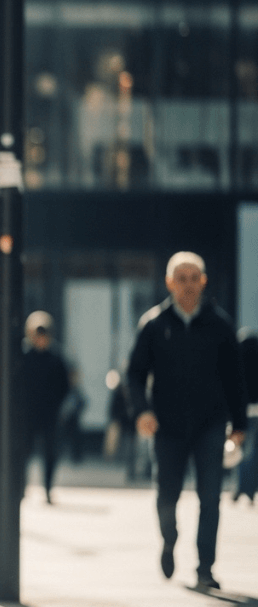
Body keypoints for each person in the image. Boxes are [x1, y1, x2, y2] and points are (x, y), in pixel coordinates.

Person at [126, 251, 247, 590]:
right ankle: (169, 539)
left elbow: (235, 380)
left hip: (210, 425)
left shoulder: (221, 325)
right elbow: (134, 375)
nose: (189, 285)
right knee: (167, 496)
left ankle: (204, 568)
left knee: (211, 498)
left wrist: (238, 427)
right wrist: (142, 411)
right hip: (167, 427)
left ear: (203, 281)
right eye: (182, 279)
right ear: (169, 283)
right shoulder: (154, 324)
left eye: (195, 278)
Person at [17, 311, 70, 505]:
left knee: (50, 453)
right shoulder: (23, 355)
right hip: (27, 413)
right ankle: (21, 487)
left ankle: (47, 488)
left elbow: (65, 385)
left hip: (50, 413)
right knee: (24, 452)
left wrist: (58, 405)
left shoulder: (56, 357)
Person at [232, 329, 258, 504]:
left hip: (243, 411)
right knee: (251, 453)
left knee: (241, 451)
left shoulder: (237, 363)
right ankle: (246, 488)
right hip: (254, 411)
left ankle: (242, 488)